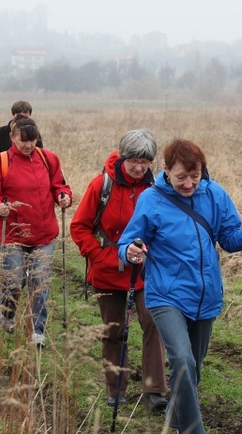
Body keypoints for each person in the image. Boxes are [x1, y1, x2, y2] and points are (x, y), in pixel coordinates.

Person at [117, 138, 242, 434]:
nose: (188, 183)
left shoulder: (215, 195)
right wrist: (130, 251)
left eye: (194, 176)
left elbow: (229, 239)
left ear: (202, 171)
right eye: (181, 177)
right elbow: (128, 240)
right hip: (165, 294)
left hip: (206, 296)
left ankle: (174, 425)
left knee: (192, 371)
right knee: (182, 359)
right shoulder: (151, 199)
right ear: (166, 170)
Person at [70, 129, 168, 411]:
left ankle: (155, 390)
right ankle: (116, 389)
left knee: (153, 323)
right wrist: (99, 256)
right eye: (134, 161)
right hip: (108, 271)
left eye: (145, 162)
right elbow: (79, 227)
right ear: (122, 157)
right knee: (114, 331)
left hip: (147, 271)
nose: (139, 168)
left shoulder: (158, 189)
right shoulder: (102, 185)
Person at [0, 117, 72, 347]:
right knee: (14, 280)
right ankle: (7, 313)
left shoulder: (47, 158)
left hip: (44, 234)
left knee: (40, 282)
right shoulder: (1, 162)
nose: (29, 145)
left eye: (32, 140)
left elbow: (59, 185)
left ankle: (37, 332)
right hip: (13, 234)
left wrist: (63, 196)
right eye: (23, 141)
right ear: (12, 137)